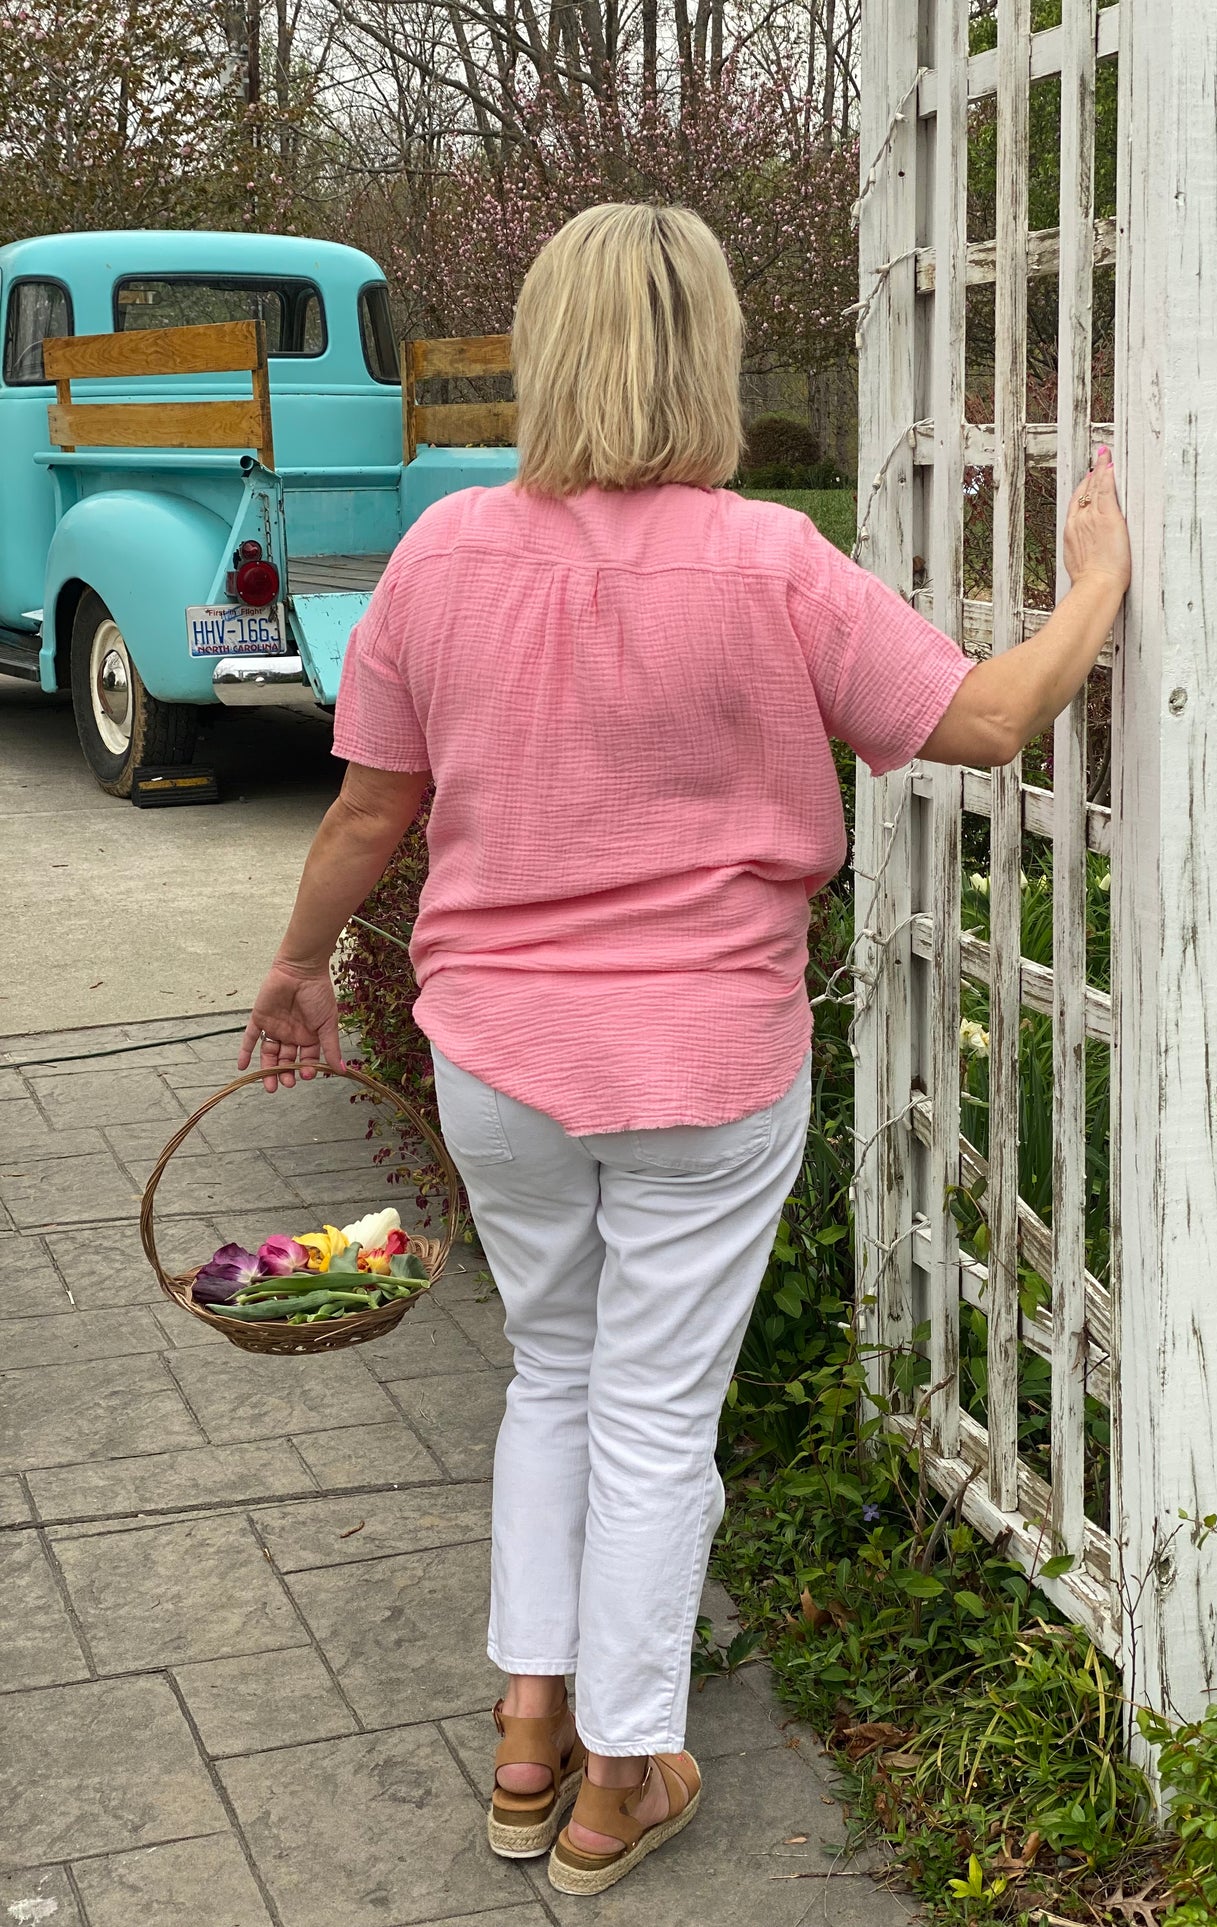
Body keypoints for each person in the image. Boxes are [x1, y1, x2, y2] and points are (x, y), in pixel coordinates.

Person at [240, 201, 1130, 1897]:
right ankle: (616, 1784)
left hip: (496, 1052)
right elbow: (989, 722)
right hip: (704, 1063)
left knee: (553, 1378)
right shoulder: (769, 560)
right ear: (706, 351)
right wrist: (1092, 585)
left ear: (548, 347)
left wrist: (293, 966)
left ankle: (526, 1725)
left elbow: (371, 807)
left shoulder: (441, 554)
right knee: (651, 1412)